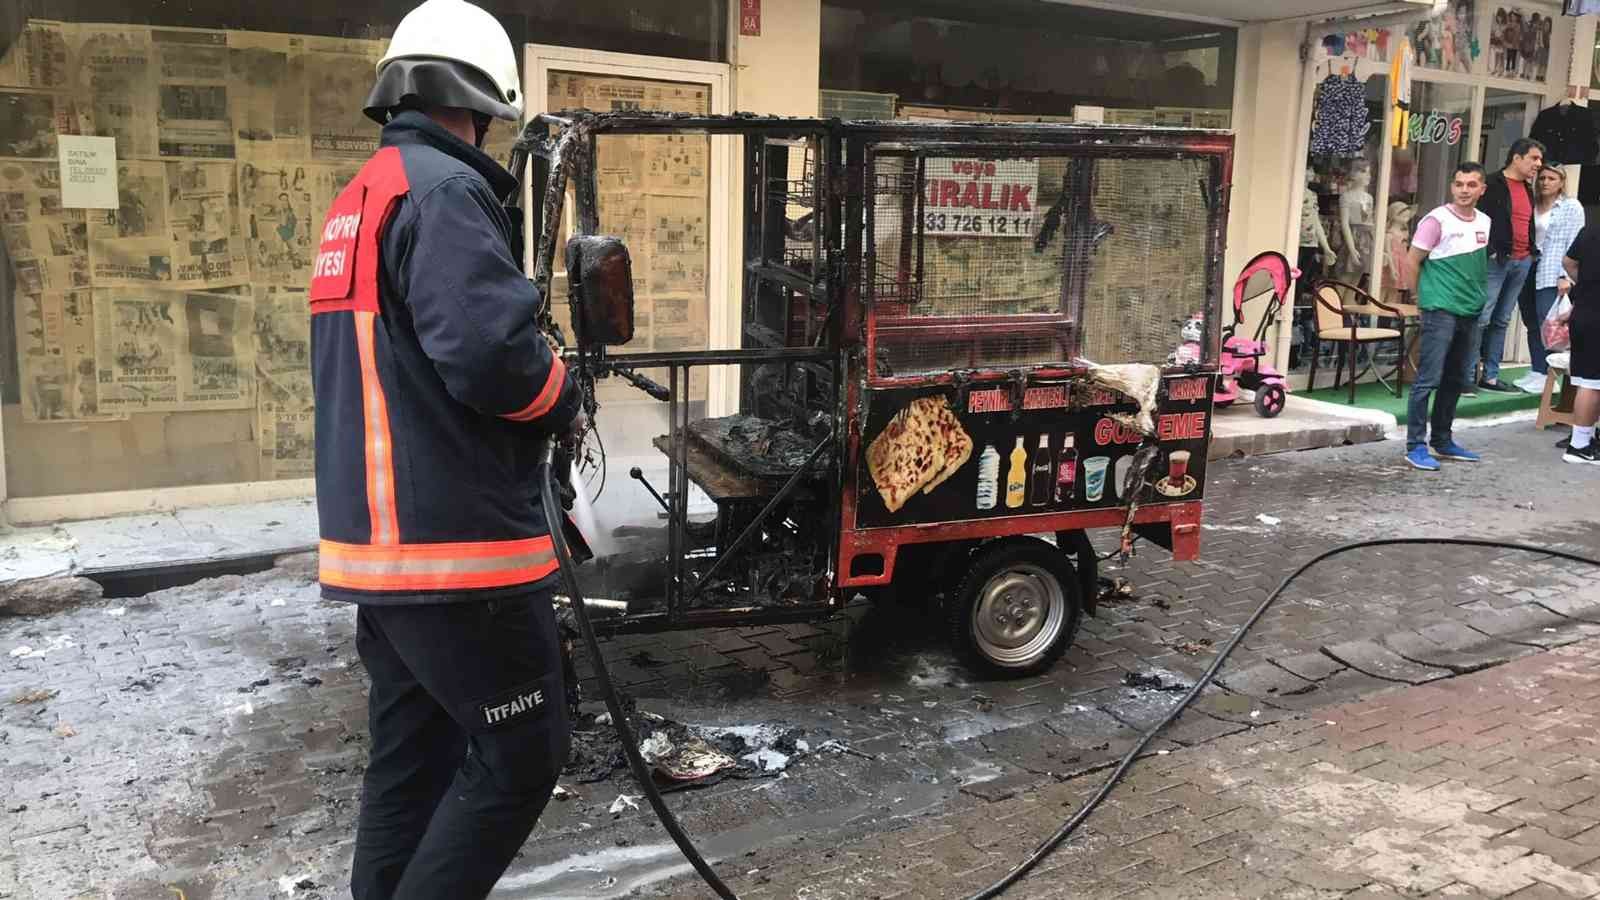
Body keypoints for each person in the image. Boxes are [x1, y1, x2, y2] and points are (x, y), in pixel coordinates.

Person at [306, 0, 586, 896]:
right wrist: (562, 393)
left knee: (415, 757)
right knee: (522, 752)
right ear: (476, 99)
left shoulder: (361, 198)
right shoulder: (444, 191)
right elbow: (496, 359)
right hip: (458, 553)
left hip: (380, 553)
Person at [1404, 162, 1491, 471]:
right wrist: (1418, 298)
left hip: (1470, 310)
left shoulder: (1485, 221)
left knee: (1456, 378)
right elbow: (1412, 260)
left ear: (1482, 189)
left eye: (1471, 184)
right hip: (1439, 309)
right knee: (1427, 379)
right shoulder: (1436, 220)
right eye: (1459, 184)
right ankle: (1415, 445)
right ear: (1452, 187)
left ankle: (1442, 440)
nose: (1464, 190)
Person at [1472, 137, 1544, 394]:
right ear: (1516, 157)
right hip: (1497, 261)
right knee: (1482, 317)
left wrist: (1530, 253)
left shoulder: (1527, 187)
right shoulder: (1491, 184)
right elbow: (1478, 219)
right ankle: (1469, 374)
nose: (1538, 164)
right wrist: (1489, 251)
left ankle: (1490, 376)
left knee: (1502, 320)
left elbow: (1526, 222)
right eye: (1534, 158)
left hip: (1521, 261)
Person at [1515, 165, 1583, 395]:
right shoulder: (1532, 203)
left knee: (1550, 325)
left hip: (1553, 269)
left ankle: (1549, 375)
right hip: (1529, 266)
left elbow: (1575, 240)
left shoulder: (1571, 206)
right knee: (1531, 321)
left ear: (1561, 182)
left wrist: (1566, 276)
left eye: (1551, 178)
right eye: (1542, 178)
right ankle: (1537, 370)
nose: (1545, 182)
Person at [1560, 226, 1600, 464]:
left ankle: (1585, 439)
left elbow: (1568, 262)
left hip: (1584, 312)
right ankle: (1579, 445)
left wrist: (1585, 285)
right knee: (1592, 383)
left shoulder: (1590, 231)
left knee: (1590, 381)